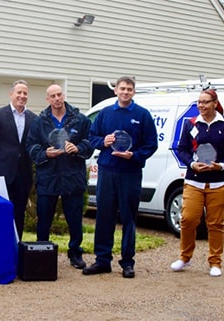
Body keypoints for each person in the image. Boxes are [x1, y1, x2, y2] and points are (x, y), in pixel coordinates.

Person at [83, 76, 158, 278]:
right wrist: (103, 141)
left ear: (134, 92)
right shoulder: (106, 113)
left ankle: (127, 262)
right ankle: (102, 260)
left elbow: (151, 144)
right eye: (122, 88)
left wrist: (134, 155)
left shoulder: (142, 115)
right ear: (115, 90)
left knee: (128, 218)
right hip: (107, 171)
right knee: (104, 217)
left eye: (129, 89)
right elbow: (91, 138)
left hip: (130, 173)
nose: (125, 92)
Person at [170, 89, 224, 277]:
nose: (201, 106)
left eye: (205, 102)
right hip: (194, 180)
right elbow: (182, 149)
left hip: (219, 182)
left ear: (214, 103)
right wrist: (192, 164)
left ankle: (215, 262)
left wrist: (222, 165)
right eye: (199, 102)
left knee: (216, 223)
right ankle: (185, 257)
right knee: (188, 219)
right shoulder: (190, 125)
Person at [26, 84, 94, 269]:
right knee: (44, 218)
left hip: (72, 176)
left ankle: (75, 254)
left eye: (59, 94)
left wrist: (78, 148)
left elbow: (90, 142)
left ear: (63, 95)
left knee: (74, 220)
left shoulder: (80, 120)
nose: (57, 98)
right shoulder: (39, 122)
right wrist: (45, 153)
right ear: (47, 99)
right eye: (52, 96)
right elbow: (31, 146)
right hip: (48, 176)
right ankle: (42, 251)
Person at [0, 79, 37, 241]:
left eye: (25, 93)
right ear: (11, 94)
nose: (22, 96)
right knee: (0, 212)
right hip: (1, 175)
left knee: (19, 214)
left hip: (23, 175)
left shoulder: (33, 118)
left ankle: (16, 249)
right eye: (19, 92)